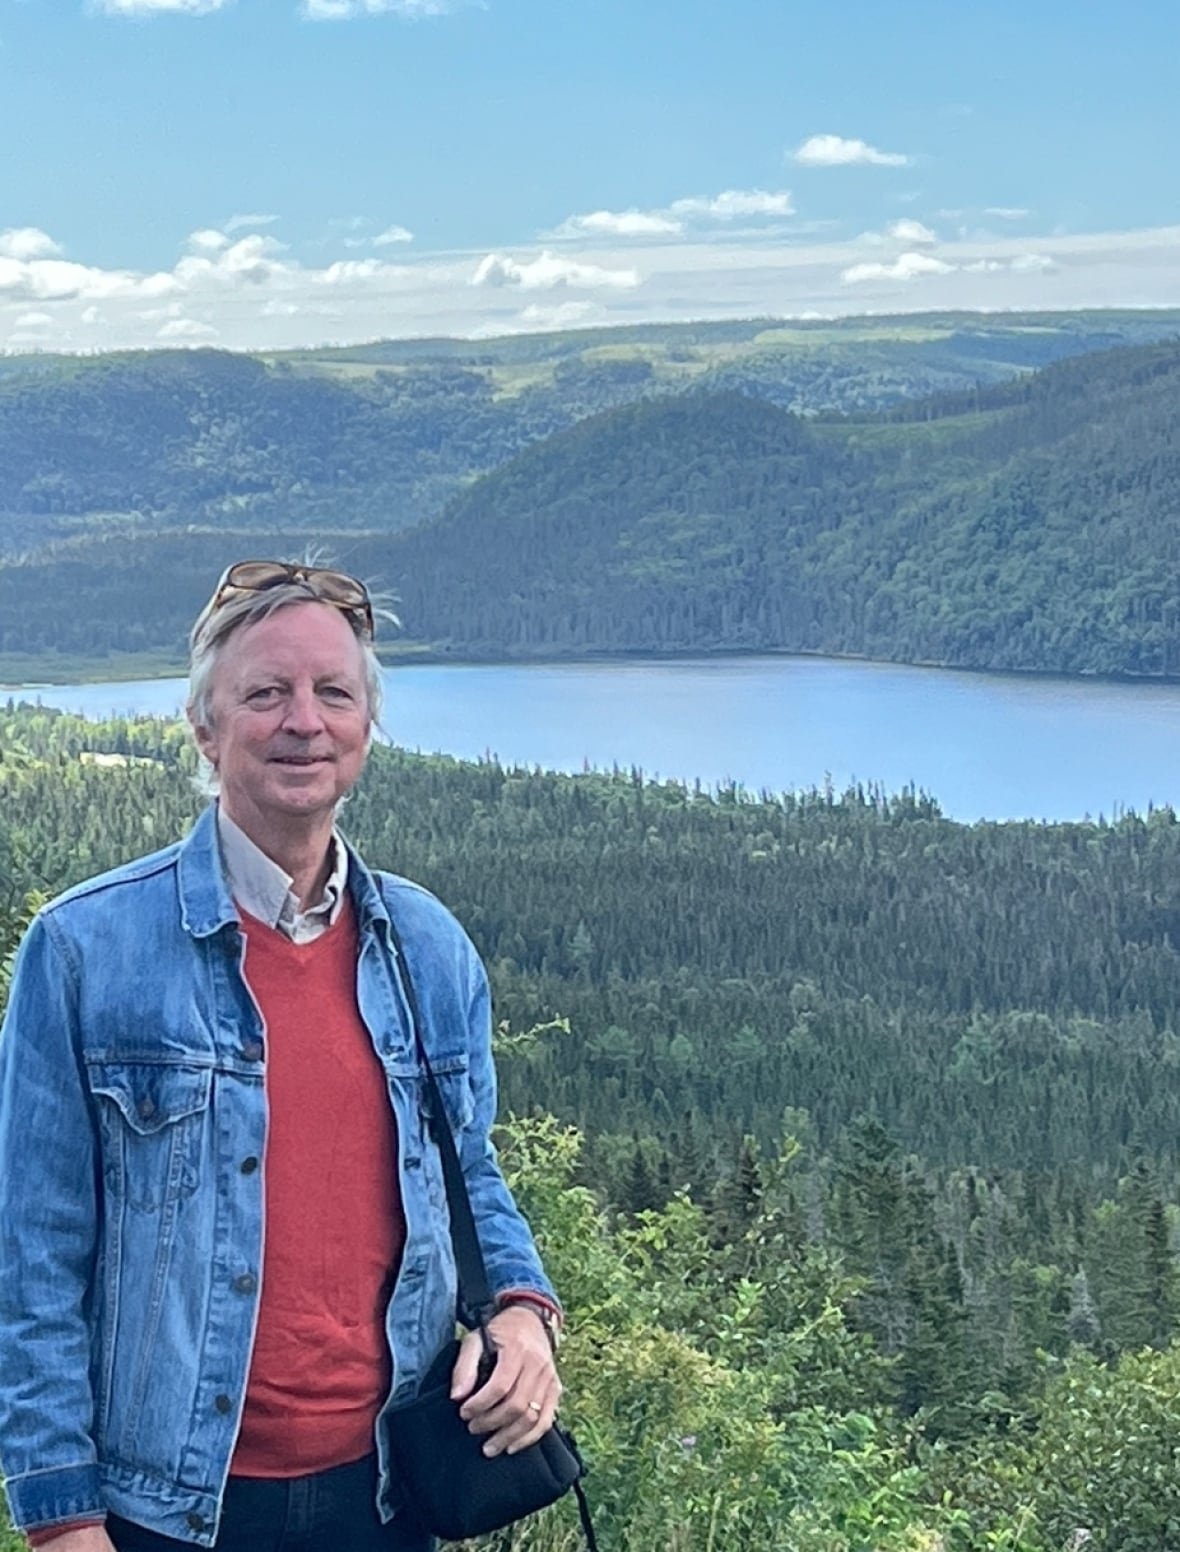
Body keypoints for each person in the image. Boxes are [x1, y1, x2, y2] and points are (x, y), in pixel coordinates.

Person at [0, 561, 563, 1551]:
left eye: (332, 692)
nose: (303, 719)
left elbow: (468, 1170)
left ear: (364, 728)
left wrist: (522, 1312)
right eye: (265, 693)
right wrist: (62, 1518)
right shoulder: (85, 950)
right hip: (162, 1512)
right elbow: (31, 1258)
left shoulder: (426, 947)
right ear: (205, 730)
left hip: (384, 1498)